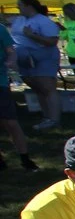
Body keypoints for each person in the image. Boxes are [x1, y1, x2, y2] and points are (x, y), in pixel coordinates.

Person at [11, 0, 63, 131]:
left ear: (29, 6)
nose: (18, 8)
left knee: (47, 88)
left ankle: (54, 119)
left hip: (43, 57)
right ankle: (46, 117)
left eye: (20, 5)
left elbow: (52, 42)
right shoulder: (19, 20)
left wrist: (32, 35)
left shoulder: (44, 21)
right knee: (38, 89)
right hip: (24, 58)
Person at [0, 23, 38, 170]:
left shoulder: (1, 29)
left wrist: (11, 60)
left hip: (0, 83)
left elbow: (11, 51)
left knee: (10, 122)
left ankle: (25, 158)